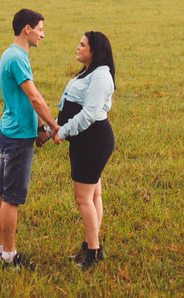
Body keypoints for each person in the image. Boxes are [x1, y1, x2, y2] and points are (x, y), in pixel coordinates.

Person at [0, 8, 61, 269]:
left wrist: (40, 127)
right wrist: (54, 126)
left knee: (1, 190)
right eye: (40, 29)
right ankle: (9, 255)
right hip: (18, 137)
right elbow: (34, 97)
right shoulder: (18, 58)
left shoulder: (12, 54)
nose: (43, 35)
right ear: (27, 29)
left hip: (11, 130)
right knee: (12, 197)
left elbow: (24, 99)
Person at [52, 30, 116, 269]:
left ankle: (93, 253)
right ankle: (92, 244)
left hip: (92, 140)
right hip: (85, 140)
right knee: (93, 195)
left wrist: (61, 131)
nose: (77, 48)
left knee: (83, 198)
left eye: (82, 45)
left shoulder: (100, 76)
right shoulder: (90, 72)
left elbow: (88, 115)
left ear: (94, 50)